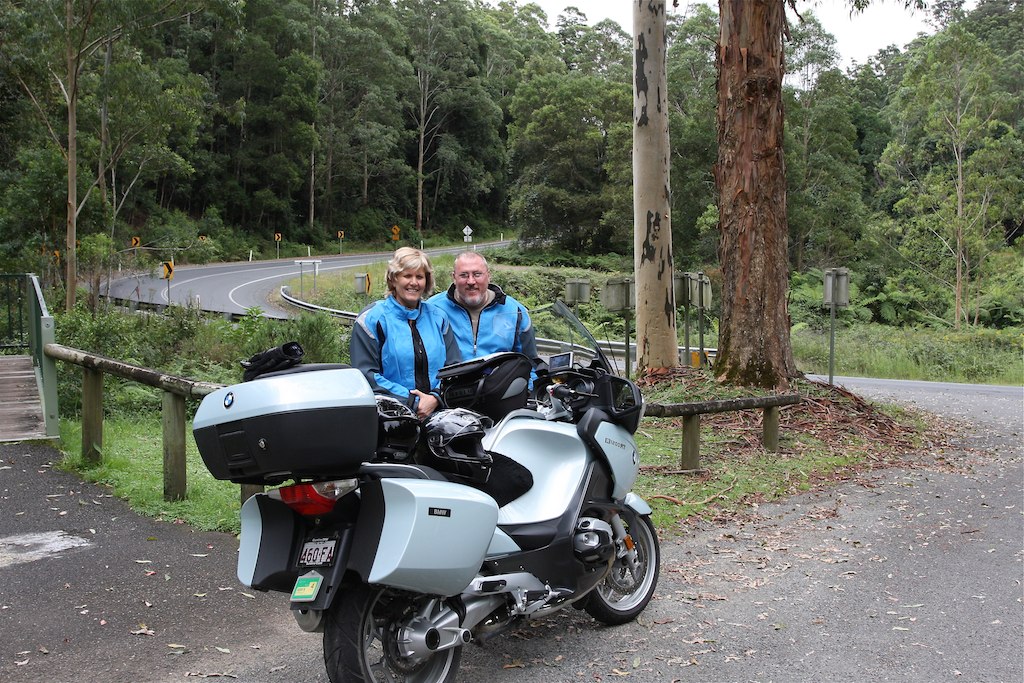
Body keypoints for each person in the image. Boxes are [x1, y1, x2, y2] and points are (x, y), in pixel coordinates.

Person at [351, 247, 461, 418]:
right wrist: (412, 401)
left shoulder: (439, 318)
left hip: (438, 413)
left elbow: (454, 368)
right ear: (393, 279)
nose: (414, 282)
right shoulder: (372, 319)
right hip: (390, 417)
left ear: (427, 281)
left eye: (419, 277)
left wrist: (435, 398)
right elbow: (366, 374)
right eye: (407, 276)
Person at [428, 251, 538, 363]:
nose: (471, 281)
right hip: (449, 379)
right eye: (464, 275)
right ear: (454, 278)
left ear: (488, 276)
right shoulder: (433, 309)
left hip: (500, 379)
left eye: (477, 274)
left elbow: (530, 364)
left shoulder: (515, 311)